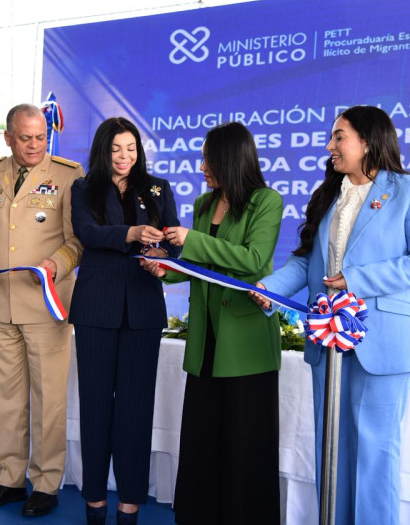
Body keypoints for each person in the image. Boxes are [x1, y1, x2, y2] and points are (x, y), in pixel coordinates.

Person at [252, 105, 410, 525]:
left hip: (386, 342)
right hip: (330, 341)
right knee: (331, 448)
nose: (330, 146)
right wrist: (271, 288)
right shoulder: (329, 194)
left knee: (374, 451)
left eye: (339, 136)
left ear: (368, 141)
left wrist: (355, 279)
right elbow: (308, 261)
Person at [145, 122, 283, 524]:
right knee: (204, 437)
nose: (202, 166)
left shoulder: (266, 201)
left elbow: (253, 261)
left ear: (229, 159)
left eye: (208, 158)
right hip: (206, 339)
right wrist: (166, 268)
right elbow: (201, 267)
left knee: (245, 442)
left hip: (245, 342)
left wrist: (191, 240)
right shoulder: (205, 203)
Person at [0, 103, 84, 517]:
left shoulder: (68, 175)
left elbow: (77, 240)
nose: (35, 145)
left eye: (41, 137)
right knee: (7, 398)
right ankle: (9, 480)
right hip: (1, 303)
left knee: (48, 400)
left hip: (47, 305)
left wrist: (54, 265)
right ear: (8, 138)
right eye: (26, 137)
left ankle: (46, 484)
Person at [69, 117, 180, 525]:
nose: (124, 156)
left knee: (135, 408)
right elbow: (87, 233)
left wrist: (163, 258)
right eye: (116, 148)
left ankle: (130, 502)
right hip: (96, 308)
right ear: (103, 150)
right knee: (95, 405)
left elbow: (172, 244)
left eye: (131, 148)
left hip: (143, 309)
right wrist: (130, 234)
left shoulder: (158, 188)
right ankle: (95, 500)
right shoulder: (84, 188)